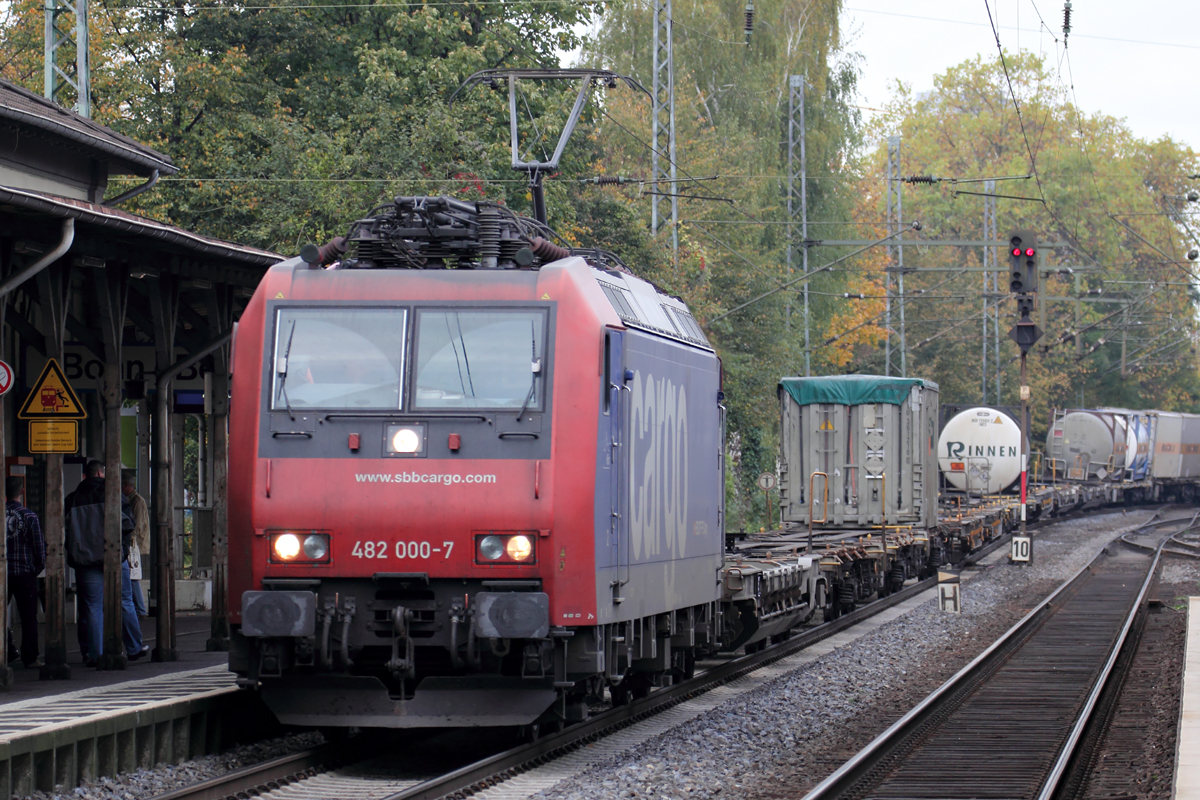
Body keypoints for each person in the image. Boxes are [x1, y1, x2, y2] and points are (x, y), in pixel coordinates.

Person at [65, 460, 147, 666]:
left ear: (85, 476)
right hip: (114, 556)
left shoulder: (73, 499)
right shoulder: (113, 495)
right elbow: (128, 524)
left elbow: (66, 529)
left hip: (86, 560)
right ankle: (134, 647)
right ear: (101, 474)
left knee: (92, 607)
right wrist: (121, 549)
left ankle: (95, 654)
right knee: (125, 601)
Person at [6, 477, 45, 668]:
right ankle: (30, 658)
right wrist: (36, 568)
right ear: (22, 491)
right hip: (24, 572)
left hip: (2, 573)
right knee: (29, 617)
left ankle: (7, 649)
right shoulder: (29, 516)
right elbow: (39, 546)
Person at [121, 472, 150, 617]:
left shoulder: (136, 501)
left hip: (133, 543)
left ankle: (140, 609)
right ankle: (138, 609)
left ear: (126, 485)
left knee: (132, 576)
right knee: (131, 575)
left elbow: (138, 524)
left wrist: (129, 538)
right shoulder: (133, 500)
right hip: (132, 541)